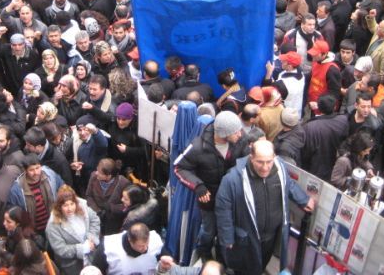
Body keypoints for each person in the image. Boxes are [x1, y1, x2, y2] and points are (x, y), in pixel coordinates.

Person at [215, 140, 314, 275]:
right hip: (246, 240)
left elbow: (288, 184)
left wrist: (303, 199)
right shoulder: (232, 179)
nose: (265, 167)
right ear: (251, 158)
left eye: (269, 161)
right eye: (260, 162)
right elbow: (223, 208)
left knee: (261, 265)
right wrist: (227, 237)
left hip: (270, 238)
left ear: (274, 158)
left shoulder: (280, 168)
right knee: (245, 270)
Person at [174, 111, 248, 260]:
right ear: (223, 133)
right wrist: (198, 186)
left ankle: (222, 257)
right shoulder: (198, 147)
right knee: (209, 231)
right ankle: (204, 252)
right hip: (210, 200)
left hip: (232, 198)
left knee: (226, 230)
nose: (240, 134)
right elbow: (179, 167)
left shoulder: (241, 141)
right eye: (236, 132)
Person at [45, 184, 101, 275]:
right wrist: (81, 248)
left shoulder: (83, 207)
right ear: (59, 207)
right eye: (65, 205)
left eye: (72, 204)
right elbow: (60, 249)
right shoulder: (53, 225)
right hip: (72, 265)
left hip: (91, 257)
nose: (70, 208)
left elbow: (95, 220)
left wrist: (91, 238)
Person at [92, 222, 163, 275]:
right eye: (140, 246)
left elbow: (167, 262)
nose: (145, 248)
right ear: (130, 241)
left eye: (147, 244)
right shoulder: (108, 246)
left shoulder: (156, 241)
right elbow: (95, 269)